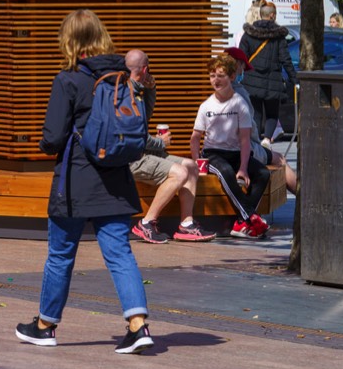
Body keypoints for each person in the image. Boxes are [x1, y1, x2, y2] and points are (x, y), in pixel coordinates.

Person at [14, 10, 153, 355]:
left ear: (69, 41)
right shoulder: (123, 75)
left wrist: (46, 146)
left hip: (75, 182)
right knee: (120, 253)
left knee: (61, 255)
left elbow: (53, 135)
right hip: (117, 178)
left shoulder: (69, 79)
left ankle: (45, 326)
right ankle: (138, 326)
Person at [123, 49, 216, 244]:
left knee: (191, 166)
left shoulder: (137, 89)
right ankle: (146, 223)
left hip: (144, 153)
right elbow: (134, 135)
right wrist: (160, 143)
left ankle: (186, 224)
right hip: (133, 158)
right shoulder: (127, 94)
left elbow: (145, 117)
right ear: (145, 68)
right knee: (180, 173)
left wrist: (151, 89)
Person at [190, 53, 271, 239]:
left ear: (232, 77)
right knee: (225, 171)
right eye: (212, 76)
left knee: (263, 173)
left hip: (236, 153)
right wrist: (197, 161)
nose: (215, 80)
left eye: (221, 75)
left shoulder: (240, 104)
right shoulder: (206, 106)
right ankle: (251, 217)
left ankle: (242, 222)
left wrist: (243, 168)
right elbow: (195, 138)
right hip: (213, 154)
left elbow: (244, 139)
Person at [224, 47, 298, 195]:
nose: (243, 70)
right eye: (243, 66)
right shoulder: (239, 94)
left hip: (223, 149)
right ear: (237, 66)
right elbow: (248, 132)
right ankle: (304, 199)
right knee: (280, 159)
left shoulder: (217, 91)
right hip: (244, 149)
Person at [237, 2, 298, 144]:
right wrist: (294, 80)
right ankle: (267, 139)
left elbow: (241, 58)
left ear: (260, 15)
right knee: (272, 114)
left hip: (252, 81)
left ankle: (256, 142)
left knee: (256, 114)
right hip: (273, 81)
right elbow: (286, 60)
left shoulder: (249, 34)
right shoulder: (278, 36)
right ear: (272, 15)